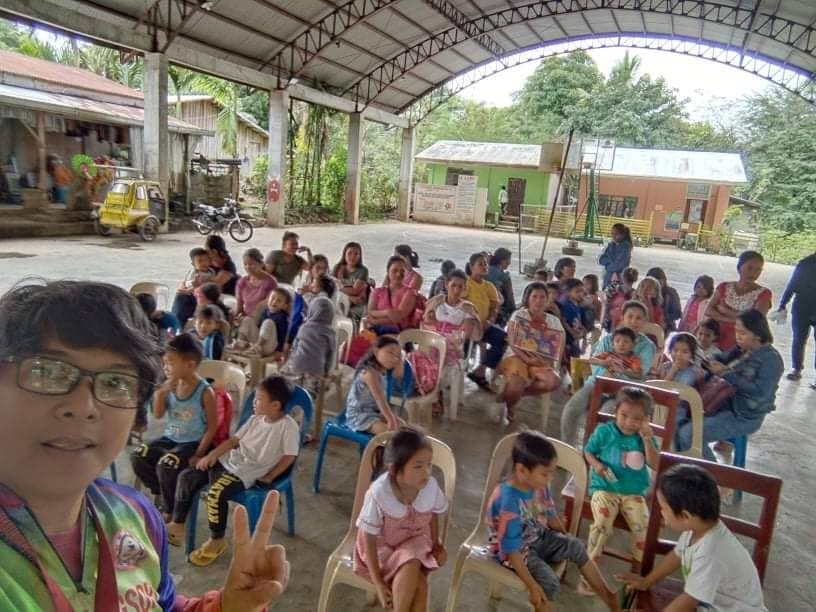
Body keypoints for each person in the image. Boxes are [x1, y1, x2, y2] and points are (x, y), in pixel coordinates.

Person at [0, 280, 289, 610]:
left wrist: (227, 606)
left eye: (115, 382)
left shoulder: (134, 517)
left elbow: (161, 604)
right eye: (46, 372)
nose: (83, 405)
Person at [169, 376, 299, 566]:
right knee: (187, 476)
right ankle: (178, 523)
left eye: (259, 399)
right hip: (228, 461)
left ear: (275, 405)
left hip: (245, 472)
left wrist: (270, 476)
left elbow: (289, 456)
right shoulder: (255, 420)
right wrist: (211, 455)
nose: (254, 402)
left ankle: (217, 540)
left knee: (215, 493)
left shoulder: (288, 426)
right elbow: (232, 442)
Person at [486, 432, 619, 611]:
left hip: (535, 534)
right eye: (545, 474)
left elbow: (551, 518)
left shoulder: (538, 484)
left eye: (551, 473)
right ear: (522, 470)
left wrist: (566, 539)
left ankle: (611, 599)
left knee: (576, 547)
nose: (550, 479)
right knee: (549, 582)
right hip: (512, 552)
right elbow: (511, 552)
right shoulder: (508, 501)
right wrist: (533, 586)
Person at [618, 464, 767, 611]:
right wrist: (646, 582)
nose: (661, 513)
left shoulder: (710, 553)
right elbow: (676, 556)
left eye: (664, 508)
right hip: (713, 602)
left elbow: (689, 600)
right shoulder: (697, 529)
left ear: (685, 516)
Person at [354, 427, 448, 611]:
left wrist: (436, 543)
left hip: (415, 541)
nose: (427, 472)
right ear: (395, 469)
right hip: (381, 548)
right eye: (418, 466)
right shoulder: (379, 493)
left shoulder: (430, 487)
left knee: (412, 563)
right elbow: (369, 537)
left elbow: (433, 514)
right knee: (418, 583)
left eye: (429, 464)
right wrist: (379, 583)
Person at [675, 309, 783, 461]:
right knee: (676, 422)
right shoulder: (742, 349)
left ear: (758, 334)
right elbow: (721, 356)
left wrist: (726, 373)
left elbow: (760, 392)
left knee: (689, 434)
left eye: (743, 333)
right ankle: (685, 470)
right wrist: (710, 361)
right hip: (722, 404)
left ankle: (715, 479)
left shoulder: (771, 360)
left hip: (744, 415)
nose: (738, 337)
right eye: (736, 332)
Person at [131, 333, 218, 520]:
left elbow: (212, 427)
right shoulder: (169, 386)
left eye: (170, 363)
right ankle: (160, 492)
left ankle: (169, 510)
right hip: (170, 438)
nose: (166, 368)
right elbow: (158, 414)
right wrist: (160, 394)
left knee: (166, 464)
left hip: (192, 442)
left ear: (190, 365)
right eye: (165, 363)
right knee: (139, 455)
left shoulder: (205, 392)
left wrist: (199, 454)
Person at [584, 388, 657, 587]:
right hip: (604, 487)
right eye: (624, 415)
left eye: (637, 418)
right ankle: (589, 575)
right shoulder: (604, 431)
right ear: (615, 411)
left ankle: (638, 571)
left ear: (646, 419)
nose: (628, 422)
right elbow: (588, 452)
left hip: (633, 492)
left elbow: (655, 463)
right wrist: (597, 465)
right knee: (601, 525)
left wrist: (647, 438)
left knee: (643, 528)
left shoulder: (644, 437)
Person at [561, 301, 656, 447]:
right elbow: (595, 364)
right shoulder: (609, 339)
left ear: (644, 321)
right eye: (630, 316)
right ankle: (568, 449)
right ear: (622, 318)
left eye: (639, 318)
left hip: (624, 391)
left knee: (604, 416)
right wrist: (604, 375)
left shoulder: (647, 346)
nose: (633, 321)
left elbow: (640, 374)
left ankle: (591, 453)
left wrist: (617, 375)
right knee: (571, 409)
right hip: (597, 384)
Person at [497, 282, 563, 423]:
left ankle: (513, 396)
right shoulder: (519, 315)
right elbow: (512, 341)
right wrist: (526, 359)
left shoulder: (554, 321)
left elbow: (556, 346)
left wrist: (548, 361)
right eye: (534, 297)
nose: (538, 301)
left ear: (547, 300)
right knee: (516, 384)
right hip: (516, 356)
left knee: (554, 381)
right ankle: (511, 405)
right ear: (528, 299)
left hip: (540, 360)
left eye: (542, 297)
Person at [704, 250, 772, 351]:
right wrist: (731, 319)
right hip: (716, 338)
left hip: (743, 343)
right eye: (750, 268)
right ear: (739, 267)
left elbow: (755, 321)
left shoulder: (764, 294)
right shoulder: (724, 287)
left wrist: (725, 311)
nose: (754, 273)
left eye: (758, 270)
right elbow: (708, 310)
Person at [346, 336, 408, 434]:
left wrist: (400, 359)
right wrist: (390, 419)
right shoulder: (369, 373)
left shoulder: (382, 370)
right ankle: (377, 448)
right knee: (391, 434)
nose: (394, 358)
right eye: (390, 352)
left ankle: (380, 448)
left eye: (397, 356)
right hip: (359, 415)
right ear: (376, 351)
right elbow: (380, 399)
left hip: (374, 412)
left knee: (402, 426)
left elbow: (398, 374)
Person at [463, 252, 505, 391]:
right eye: (480, 264)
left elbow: (494, 306)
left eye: (486, 263)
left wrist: (490, 320)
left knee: (503, 339)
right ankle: (456, 374)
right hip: (467, 327)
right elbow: (460, 305)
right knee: (461, 349)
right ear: (471, 266)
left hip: (485, 325)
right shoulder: (466, 283)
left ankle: (480, 371)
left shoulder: (489, 286)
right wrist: (473, 323)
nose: (484, 266)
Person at [281, 296, 337, 394]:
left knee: (287, 378)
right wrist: (326, 372)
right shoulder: (330, 332)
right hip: (316, 371)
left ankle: (293, 386)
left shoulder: (304, 327)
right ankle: (309, 395)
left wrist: (288, 363)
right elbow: (331, 354)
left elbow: (294, 348)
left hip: (296, 366)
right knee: (313, 390)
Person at [775, 250, 816, 382]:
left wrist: (783, 303)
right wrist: (783, 303)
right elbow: (793, 284)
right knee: (798, 339)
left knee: (799, 339)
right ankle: (797, 369)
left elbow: (793, 284)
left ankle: (797, 370)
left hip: (801, 307)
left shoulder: (805, 263)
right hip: (802, 307)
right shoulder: (805, 263)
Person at [367, 255, 418, 335]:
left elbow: (398, 317)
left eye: (402, 271)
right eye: (395, 271)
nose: (398, 274)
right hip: (375, 332)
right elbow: (370, 312)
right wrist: (387, 312)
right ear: (388, 272)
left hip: (399, 335)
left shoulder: (410, 293)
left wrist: (375, 320)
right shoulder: (377, 292)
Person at [171, 247, 213, 327]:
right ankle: (177, 324)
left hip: (204, 298)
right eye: (200, 261)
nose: (204, 263)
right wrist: (188, 290)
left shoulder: (211, 271)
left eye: (206, 260)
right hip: (192, 297)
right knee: (181, 299)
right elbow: (189, 285)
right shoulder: (194, 274)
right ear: (193, 264)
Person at [235, 247, 277, 320]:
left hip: (264, 318)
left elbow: (269, 306)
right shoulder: (242, 282)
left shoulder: (270, 282)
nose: (248, 267)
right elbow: (239, 307)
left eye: (251, 264)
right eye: (245, 264)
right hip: (246, 319)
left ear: (261, 264)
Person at [333, 241, 370, 320]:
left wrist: (337, 288)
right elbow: (330, 286)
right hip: (339, 300)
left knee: (351, 313)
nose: (352, 256)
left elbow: (355, 290)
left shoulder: (363, 270)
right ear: (344, 254)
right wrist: (349, 297)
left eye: (356, 254)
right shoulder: (337, 268)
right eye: (350, 253)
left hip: (357, 304)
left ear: (360, 256)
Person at [558, 278, 588, 359]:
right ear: (568, 292)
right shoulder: (566, 306)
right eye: (577, 291)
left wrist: (583, 340)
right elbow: (565, 324)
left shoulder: (577, 305)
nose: (581, 294)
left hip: (575, 342)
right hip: (568, 343)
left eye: (582, 291)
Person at [486, 248, 516, 326]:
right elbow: (510, 298)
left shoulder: (486, 269)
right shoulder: (504, 277)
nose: (510, 262)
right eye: (509, 260)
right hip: (496, 310)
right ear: (502, 261)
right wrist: (514, 311)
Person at [646, 267, 681, 333]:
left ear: (664, 280)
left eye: (659, 281)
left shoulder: (671, 293)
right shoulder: (645, 292)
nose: (658, 285)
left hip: (666, 326)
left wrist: (664, 319)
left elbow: (677, 313)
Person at [599, 222, 633, 290]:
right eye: (612, 234)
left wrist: (607, 265)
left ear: (623, 235)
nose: (613, 236)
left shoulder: (626, 247)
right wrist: (610, 262)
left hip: (618, 278)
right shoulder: (611, 245)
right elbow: (601, 260)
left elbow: (618, 266)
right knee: (605, 296)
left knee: (615, 297)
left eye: (616, 234)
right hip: (608, 277)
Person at [603, 266, 638, 331]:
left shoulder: (614, 288)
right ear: (635, 279)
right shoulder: (635, 293)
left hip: (612, 316)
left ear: (622, 277)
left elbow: (606, 301)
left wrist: (605, 314)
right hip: (626, 318)